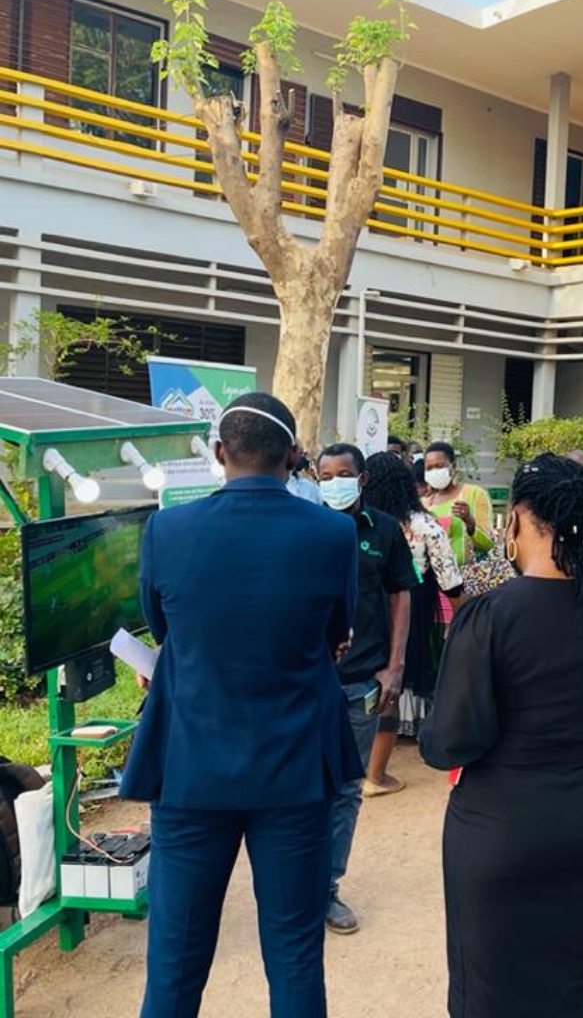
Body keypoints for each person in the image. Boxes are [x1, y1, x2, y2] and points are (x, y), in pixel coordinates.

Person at [121, 393, 360, 1018]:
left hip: (191, 769)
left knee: (174, 961)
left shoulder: (168, 530)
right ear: (294, 455)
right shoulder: (333, 532)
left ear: (220, 453)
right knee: (295, 953)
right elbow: (338, 630)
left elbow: (164, 629)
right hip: (295, 770)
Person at [419, 453, 583, 1017]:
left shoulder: (490, 614)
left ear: (520, 518)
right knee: (566, 975)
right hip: (582, 817)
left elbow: (449, 742)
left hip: (498, 824)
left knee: (487, 987)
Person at [316, 444, 417, 934]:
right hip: (306, 684)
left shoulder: (384, 530)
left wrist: (395, 666)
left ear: (361, 480)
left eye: (343, 474)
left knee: (346, 788)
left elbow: (401, 595)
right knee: (299, 786)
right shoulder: (305, 527)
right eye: (325, 475)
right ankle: (294, 887)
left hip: (362, 682)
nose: (334, 482)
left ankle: (327, 889)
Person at [363, 450, 465, 739]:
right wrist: (465, 618)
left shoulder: (362, 523)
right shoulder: (425, 525)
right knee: (405, 663)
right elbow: (450, 581)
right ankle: (399, 725)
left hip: (368, 603)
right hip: (413, 603)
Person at [422, 441, 493, 566]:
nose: (434, 471)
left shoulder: (475, 494)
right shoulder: (424, 504)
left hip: (467, 575)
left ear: (453, 467)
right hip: (433, 575)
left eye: (439, 466)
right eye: (429, 468)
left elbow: (487, 544)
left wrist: (469, 522)